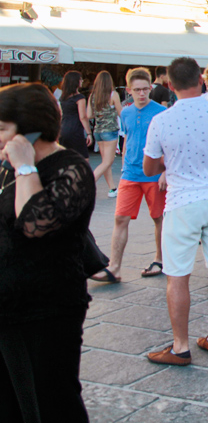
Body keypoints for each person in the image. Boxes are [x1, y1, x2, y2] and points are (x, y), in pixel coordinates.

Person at [142, 57, 208, 366]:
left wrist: (171, 159)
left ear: (170, 86)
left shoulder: (162, 120)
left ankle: (180, 346)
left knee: (177, 276)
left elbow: (149, 166)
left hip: (184, 200)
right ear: (201, 81)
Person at [0, 83, 96, 421]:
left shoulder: (71, 168)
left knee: (51, 403)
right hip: (7, 308)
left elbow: (33, 223)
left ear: (29, 129)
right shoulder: (6, 167)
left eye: (2, 128)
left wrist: (25, 166)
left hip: (46, 309)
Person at [92, 68, 168, 284]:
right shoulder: (125, 112)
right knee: (120, 217)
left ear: (151, 88)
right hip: (130, 173)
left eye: (146, 89)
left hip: (154, 173)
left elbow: (169, 146)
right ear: (129, 90)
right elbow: (127, 140)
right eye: (137, 90)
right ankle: (114, 267)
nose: (142, 94)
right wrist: (124, 165)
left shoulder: (161, 113)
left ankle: (159, 259)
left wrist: (165, 173)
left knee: (158, 218)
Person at [88, 70, 122, 197]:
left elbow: (89, 115)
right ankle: (87, 184)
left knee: (105, 161)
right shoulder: (113, 95)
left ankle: (112, 188)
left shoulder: (92, 95)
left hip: (98, 131)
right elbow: (121, 113)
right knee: (108, 162)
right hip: (110, 131)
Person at [58, 71, 92, 163]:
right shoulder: (79, 97)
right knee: (83, 159)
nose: (82, 81)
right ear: (75, 82)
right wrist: (89, 133)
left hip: (63, 129)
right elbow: (83, 117)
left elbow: (61, 114)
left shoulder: (63, 98)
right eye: (80, 79)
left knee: (66, 158)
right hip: (75, 130)